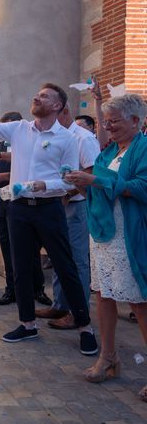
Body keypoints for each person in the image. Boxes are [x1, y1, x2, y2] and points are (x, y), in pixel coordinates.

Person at [0, 77, 98, 355]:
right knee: (21, 268)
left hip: (50, 209)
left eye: (45, 96)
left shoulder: (67, 139)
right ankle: (27, 324)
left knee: (65, 266)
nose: (37, 98)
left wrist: (44, 185)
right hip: (19, 209)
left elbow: (71, 180)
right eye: (37, 94)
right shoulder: (18, 129)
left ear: (58, 105)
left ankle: (85, 327)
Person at [64, 94, 147, 402]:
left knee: (139, 301)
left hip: (130, 233)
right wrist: (80, 182)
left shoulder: (144, 148)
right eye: (106, 122)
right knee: (104, 294)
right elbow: (98, 179)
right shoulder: (111, 150)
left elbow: (143, 187)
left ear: (136, 122)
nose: (108, 128)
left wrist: (97, 182)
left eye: (114, 122)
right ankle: (108, 356)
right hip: (104, 235)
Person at [36, 102, 100, 329]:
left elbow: (91, 174)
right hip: (58, 204)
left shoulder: (83, 138)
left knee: (77, 261)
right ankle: (60, 304)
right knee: (59, 256)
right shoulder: (57, 136)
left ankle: (77, 311)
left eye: (51, 114)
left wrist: (67, 192)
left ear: (64, 112)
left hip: (76, 205)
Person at [0, 112, 47, 306]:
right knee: (6, 243)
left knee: (32, 245)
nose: (6, 133)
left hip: (24, 198)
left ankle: (38, 289)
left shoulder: (31, 141)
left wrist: (3, 177)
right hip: (5, 197)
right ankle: (11, 289)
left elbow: (30, 170)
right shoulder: (0, 145)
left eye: (8, 128)